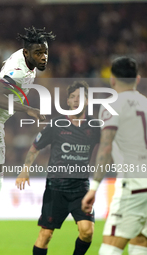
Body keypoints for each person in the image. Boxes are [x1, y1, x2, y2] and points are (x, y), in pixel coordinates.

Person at [0, 26, 55, 255]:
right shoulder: (19, 70)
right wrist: (29, 110)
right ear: (27, 53)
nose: (43, 57)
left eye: (45, 52)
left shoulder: (25, 61)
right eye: (38, 53)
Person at [16, 81, 101, 255]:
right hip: (56, 188)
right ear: (68, 102)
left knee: (87, 232)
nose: (76, 100)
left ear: (87, 101)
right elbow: (35, 147)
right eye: (73, 97)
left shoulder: (95, 127)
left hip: (81, 188)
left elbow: (109, 146)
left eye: (81, 97)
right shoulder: (56, 124)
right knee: (45, 235)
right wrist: (25, 170)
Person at [82, 57, 147, 255]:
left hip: (133, 185)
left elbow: (106, 147)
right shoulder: (145, 102)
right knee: (140, 240)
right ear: (137, 78)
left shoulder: (112, 105)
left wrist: (93, 188)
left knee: (110, 247)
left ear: (112, 79)